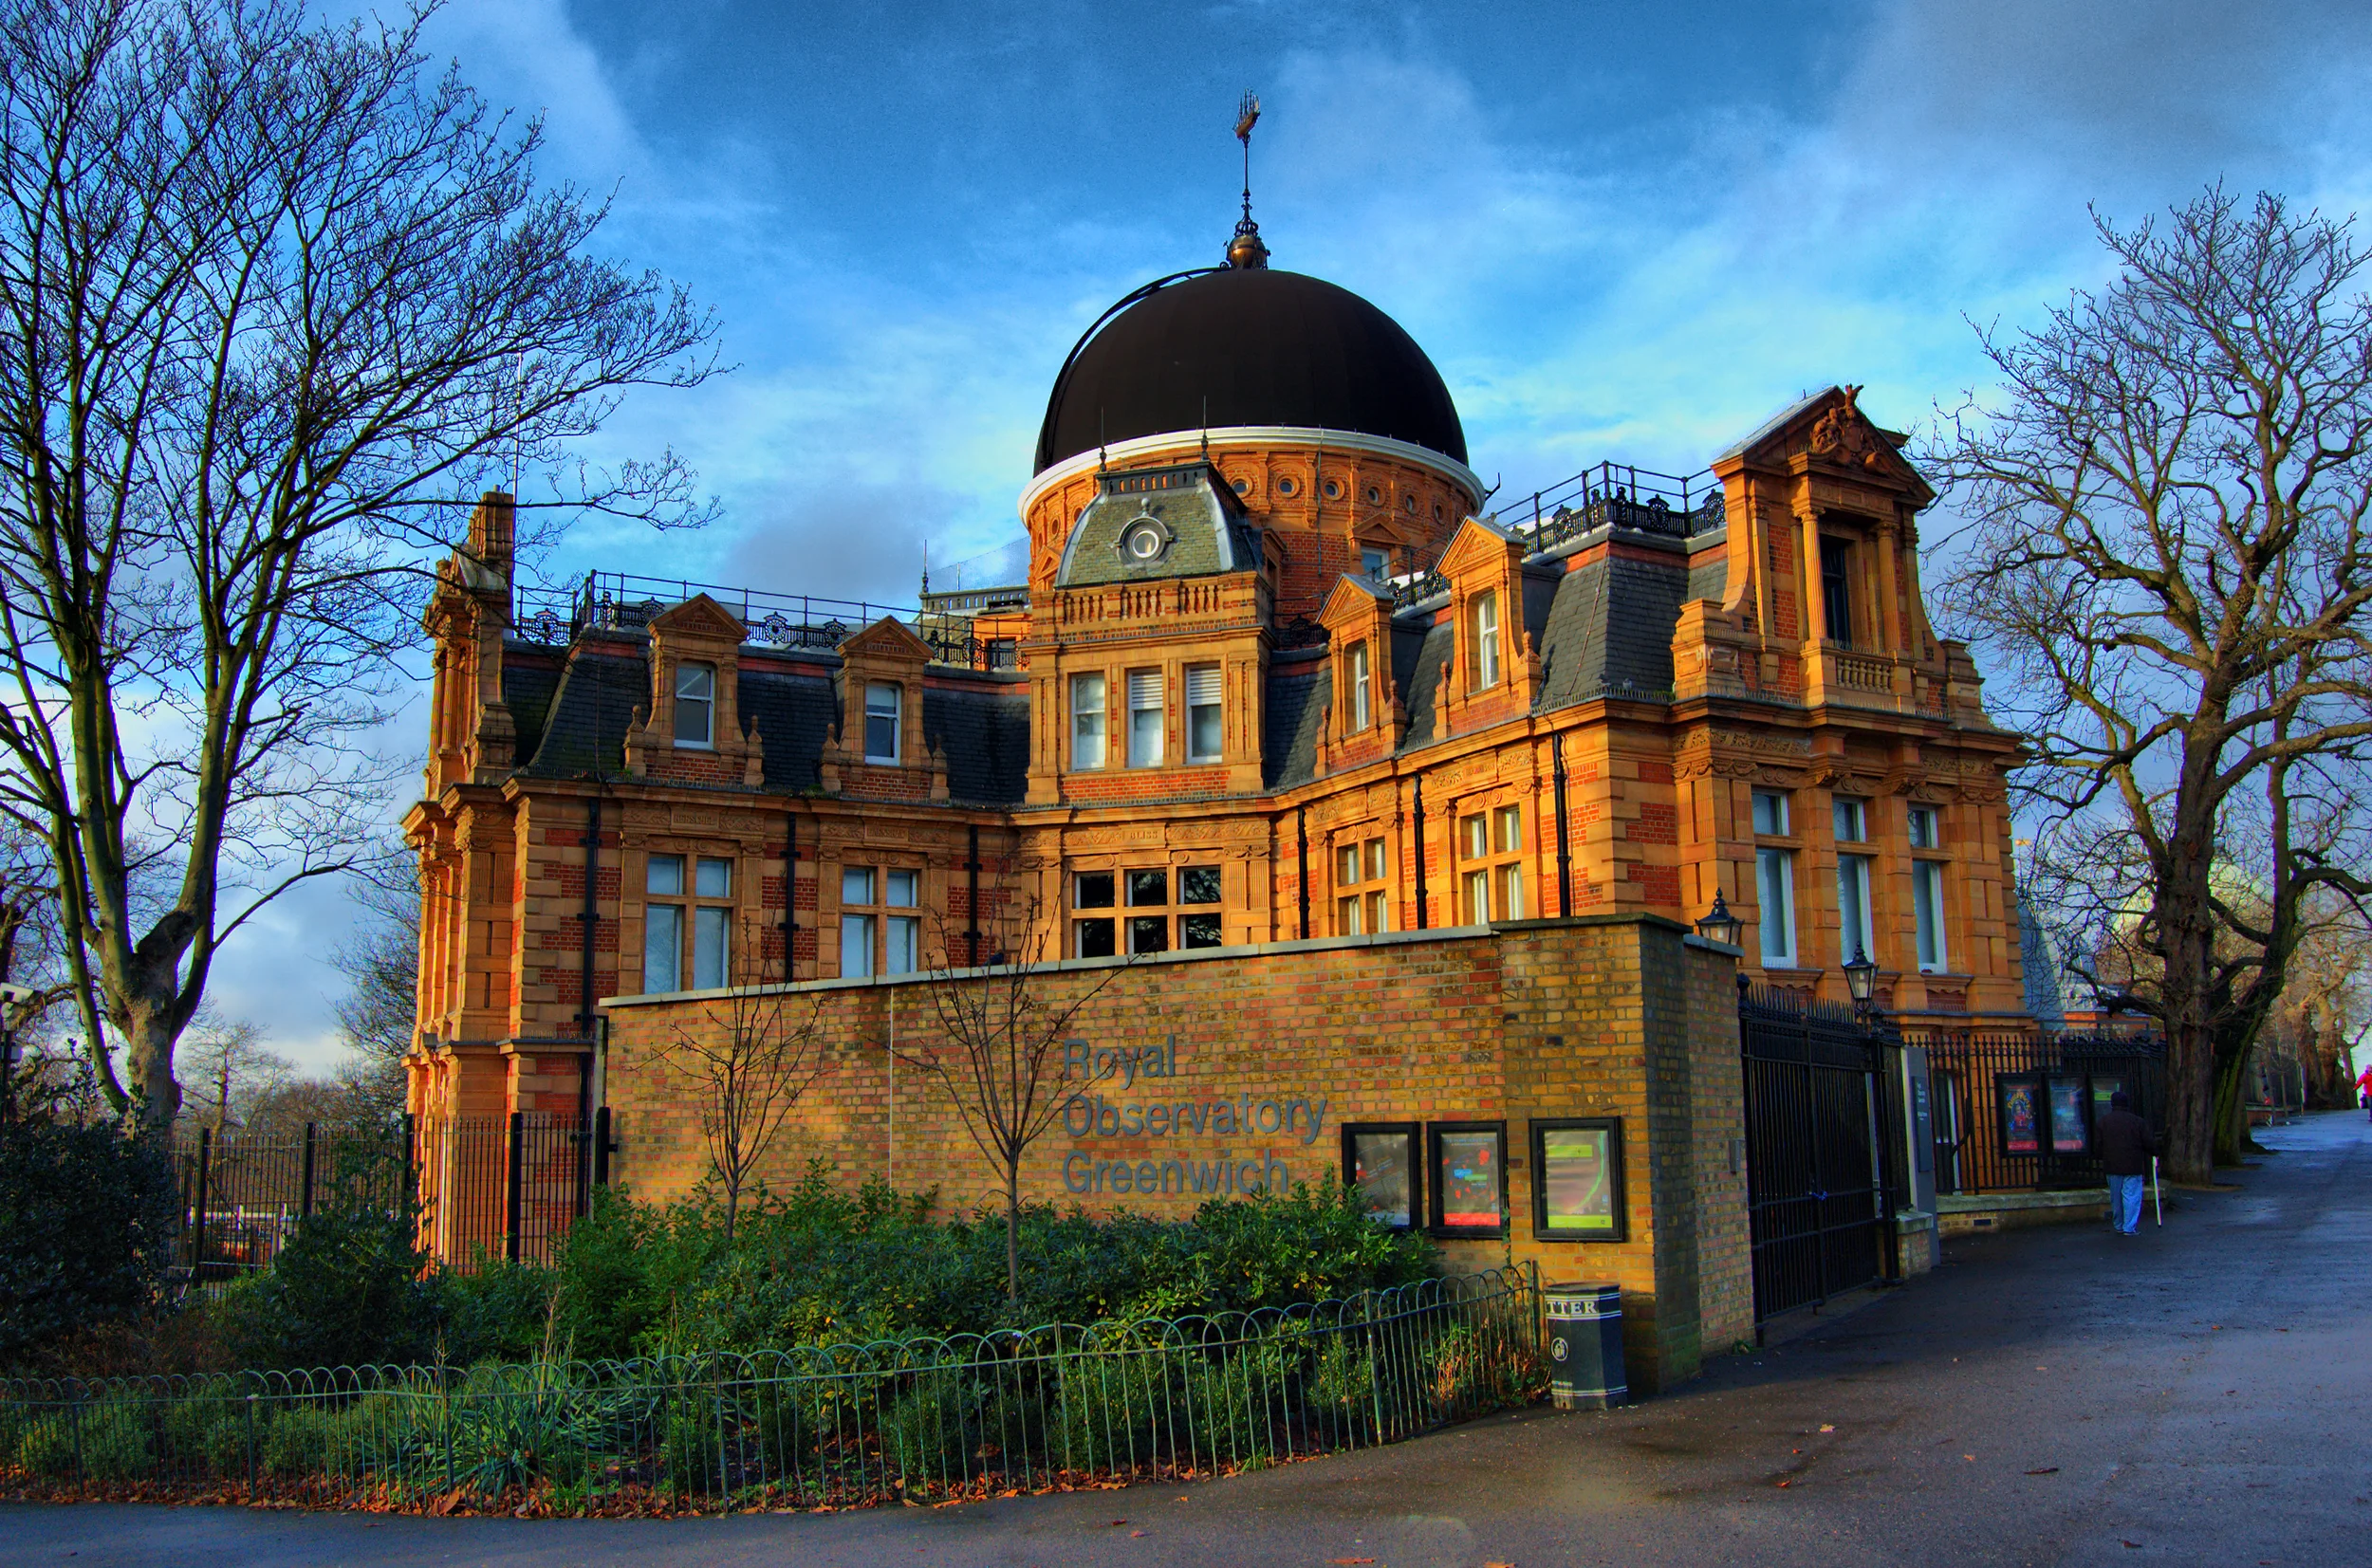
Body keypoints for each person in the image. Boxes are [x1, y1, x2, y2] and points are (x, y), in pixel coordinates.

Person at [2096, 1090, 2159, 1236]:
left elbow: (2098, 1145)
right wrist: (2156, 1152)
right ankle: (2129, 1227)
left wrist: (2100, 1157)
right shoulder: (2137, 1121)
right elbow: (2148, 1142)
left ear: (2112, 1104)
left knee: (2115, 1196)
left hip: (2112, 1165)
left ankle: (2118, 1224)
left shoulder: (2104, 1121)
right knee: (2131, 1196)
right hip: (2133, 1164)